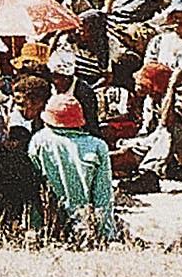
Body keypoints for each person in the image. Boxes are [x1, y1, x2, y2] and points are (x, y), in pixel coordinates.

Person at [29, 95, 121, 244]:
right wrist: (106, 235)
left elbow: (35, 184)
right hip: (85, 224)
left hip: (50, 224)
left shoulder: (38, 140)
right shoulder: (97, 145)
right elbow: (103, 194)